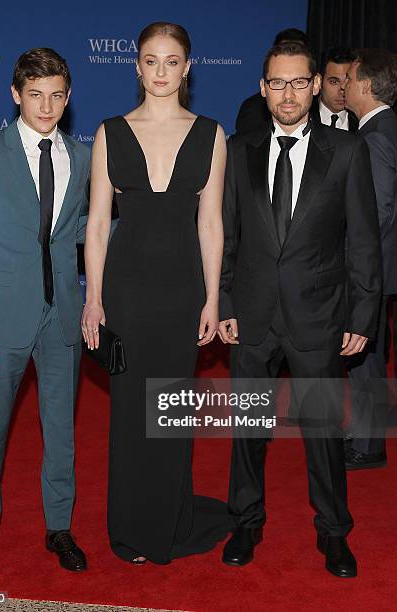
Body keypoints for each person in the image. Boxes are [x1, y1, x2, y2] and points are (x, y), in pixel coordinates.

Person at [219, 42, 382, 578]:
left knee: (322, 431)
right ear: (263, 89)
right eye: (276, 83)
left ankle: (334, 530)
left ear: (316, 86)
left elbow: (363, 240)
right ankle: (246, 519)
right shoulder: (238, 148)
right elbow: (228, 237)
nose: (287, 93)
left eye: (297, 82)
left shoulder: (347, 149)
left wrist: (362, 316)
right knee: (249, 428)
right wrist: (223, 301)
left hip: (319, 316)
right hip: (252, 315)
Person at [82, 21, 231, 564]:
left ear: (188, 67)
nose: (162, 72)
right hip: (126, 290)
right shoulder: (109, 132)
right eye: (152, 60)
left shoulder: (212, 134)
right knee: (129, 413)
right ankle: (131, 529)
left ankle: (168, 520)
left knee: (169, 411)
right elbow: (97, 225)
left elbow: (210, 225)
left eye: (172, 61)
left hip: (181, 291)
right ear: (137, 65)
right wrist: (93, 299)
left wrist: (212, 299)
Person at [0, 48, 90, 585]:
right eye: (36, 94)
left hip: (62, 320)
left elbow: (80, 234)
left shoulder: (81, 158)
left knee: (61, 433)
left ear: (68, 96)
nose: (47, 105)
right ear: (16, 95)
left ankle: (60, 528)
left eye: (57, 95)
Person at [344, 48, 397, 469]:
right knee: (369, 355)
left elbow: (377, 211)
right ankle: (367, 435)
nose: (342, 86)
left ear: (364, 84)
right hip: (379, 266)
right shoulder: (381, 128)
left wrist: (354, 263)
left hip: (372, 268)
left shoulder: (376, 135)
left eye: (349, 79)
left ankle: (367, 445)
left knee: (366, 358)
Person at [235, 28, 309, 134]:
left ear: (316, 84)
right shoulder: (252, 109)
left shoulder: (323, 113)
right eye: (278, 82)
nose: (288, 95)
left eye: (299, 82)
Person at [311, 46, 358, 131]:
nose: (342, 90)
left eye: (347, 81)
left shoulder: (361, 121)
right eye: (334, 82)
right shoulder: (303, 117)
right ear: (318, 81)